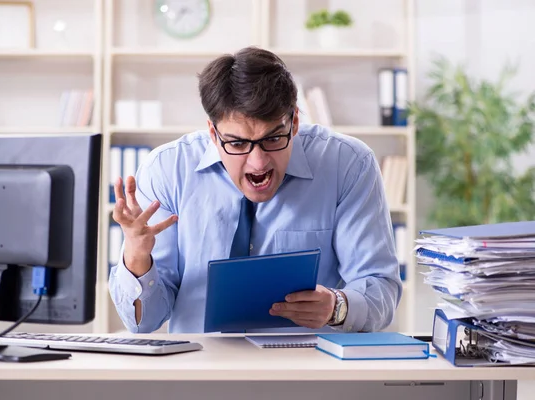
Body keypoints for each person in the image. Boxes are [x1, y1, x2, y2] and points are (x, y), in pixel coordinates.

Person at [108, 46, 402, 334]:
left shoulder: (346, 163)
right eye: (237, 144)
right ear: (213, 133)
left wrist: (338, 307)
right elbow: (143, 323)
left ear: (295, 122)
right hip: (199, 371)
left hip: (308, 371)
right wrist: (137, 257)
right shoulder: (167, 169)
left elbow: (381, 289)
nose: (258, 162)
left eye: (273, 139)